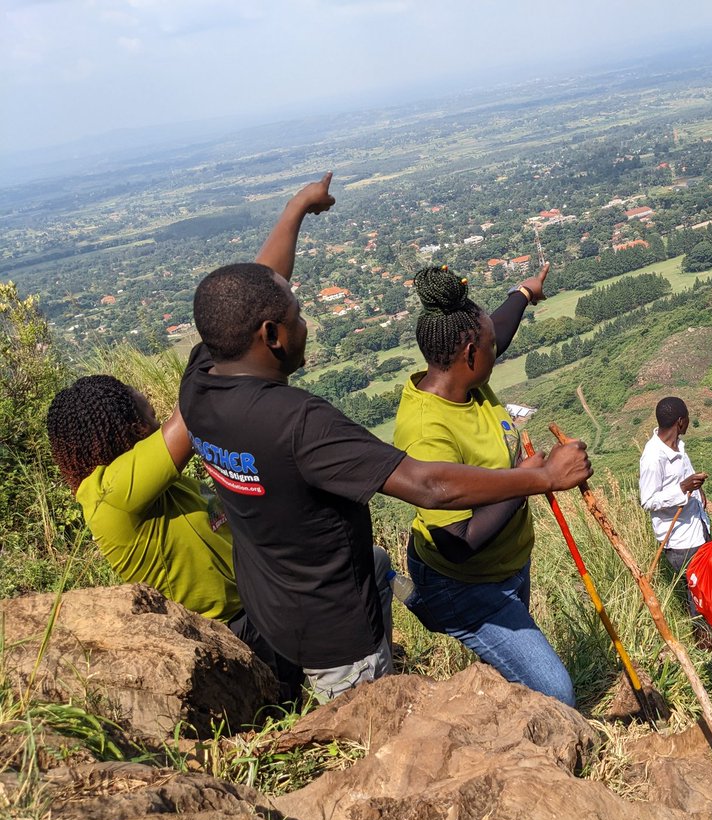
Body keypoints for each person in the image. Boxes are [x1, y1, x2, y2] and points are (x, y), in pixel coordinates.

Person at [178, 175, 591, 703]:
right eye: (297, 316)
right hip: (338, 630)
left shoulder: (202, 380)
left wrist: (296, 209)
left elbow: (258, 286)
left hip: (271, 601)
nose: (305, 324)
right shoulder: (299, 422)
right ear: (272, 336)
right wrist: (538, 477)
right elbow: (427, 486)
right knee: (377, 734)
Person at [393, 263, 575, 706]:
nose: (500, 349)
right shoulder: (426, 429)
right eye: (492, 347)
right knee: (555, 695)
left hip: (506, 566)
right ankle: (414, 596)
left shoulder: (468, 384)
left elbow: (499, 330)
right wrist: (535, 479)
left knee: (514, 684)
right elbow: (458, 540)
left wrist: (525, 293)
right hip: (462, 583)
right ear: (471, 353)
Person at [45, 374, 298, 693]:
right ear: (133, 429)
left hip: (258, 606)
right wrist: (220, 349)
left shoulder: (156, 485)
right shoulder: (110, 496)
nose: (158, 423)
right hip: (226, 635)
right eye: (150, 416)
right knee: (283, 710)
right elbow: (192, 414)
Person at [639, 396, 712, 646]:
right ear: (681, 422)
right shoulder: (653, 457)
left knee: (704, 587)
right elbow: (648, 500)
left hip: (696, 527)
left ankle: (710, 634)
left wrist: (696, 488)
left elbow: (684, 477)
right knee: (698, 593)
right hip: (680, 539)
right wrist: (682, 488)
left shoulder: (678, 446)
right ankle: (704, 644)